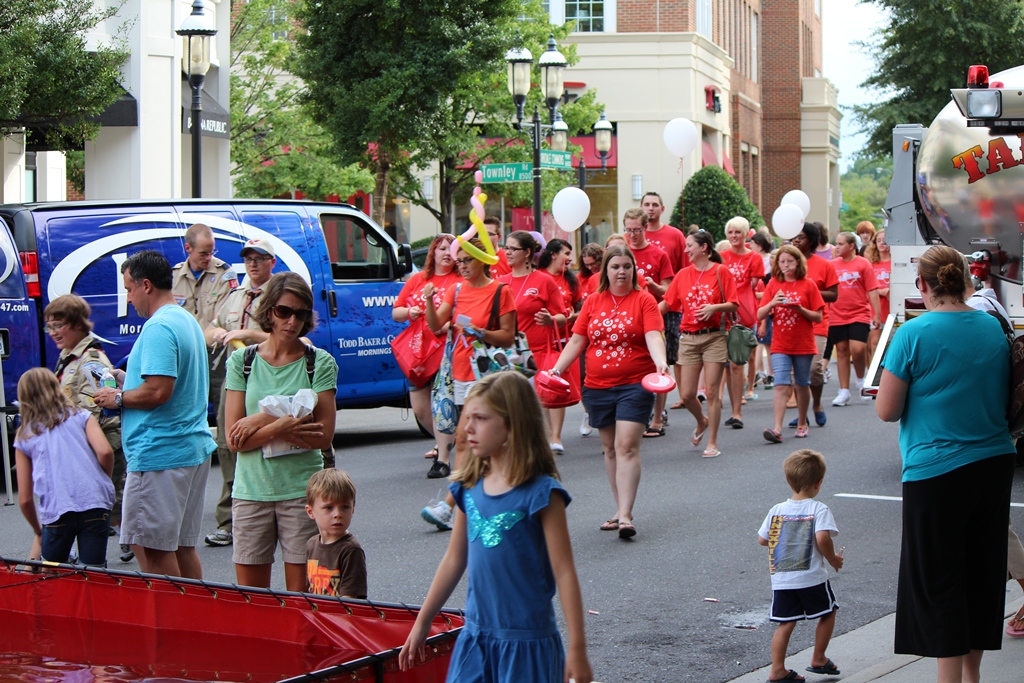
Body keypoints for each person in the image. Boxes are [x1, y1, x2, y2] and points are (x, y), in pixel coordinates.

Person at [875, 245, 1015, 683]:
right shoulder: (991, 326)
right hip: (993, 462)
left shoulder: (913, 334)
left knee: (939, 580)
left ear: (922, 285)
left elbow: (887, 410)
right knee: (982, 574)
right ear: (966, 281)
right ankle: (972, 676)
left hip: (935, 469)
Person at [398, 373, 592, 683]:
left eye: (481, 418)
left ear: (513, 424)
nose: (468, 428)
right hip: (476, 638)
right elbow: (454, 559)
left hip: (526, 644)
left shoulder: (542, 493)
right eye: (468, 417)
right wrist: (423, 622)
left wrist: (578, 648)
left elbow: (564, 571)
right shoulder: (469, 485)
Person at [93, 250, 217, 578]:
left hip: (160, 453)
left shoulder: (158, 327)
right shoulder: (185, 319)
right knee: (181, 547)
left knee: (153, 550)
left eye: (129, 289)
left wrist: (117, 397)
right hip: (189, 448)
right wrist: (128, 380)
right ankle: (194, 610)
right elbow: (166, 382)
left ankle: (170, 612)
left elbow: (158, 391)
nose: (128, 297)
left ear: (146, 285)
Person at [223, 272, 338, 592]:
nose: (292, 321)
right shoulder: (242, 362)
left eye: (301, 314)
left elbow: (322, 437)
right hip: (251, 493)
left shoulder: (319, 362)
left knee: (305, 601)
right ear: (269, 309)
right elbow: (234, 441)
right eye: (284, 311)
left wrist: (260, 422)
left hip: (302, 493)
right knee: (253, 602)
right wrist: (281, 424)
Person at [550, 245, 668, 538]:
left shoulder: (644, 299)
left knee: (626, 446)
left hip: (635, 384)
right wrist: (557, 369)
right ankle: (620, 508)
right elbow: (577, 341)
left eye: (627, 266)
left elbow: (654, 335)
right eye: (615, 266)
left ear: (634, 270)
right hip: (597, 386)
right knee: (610, 448)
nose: (621, 272)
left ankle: (626, 515)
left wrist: (660, 361)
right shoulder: (592, 301)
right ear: (606, 271)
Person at [419, 238, 516, 530]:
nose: (461, 265)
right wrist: (428, 300)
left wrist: (480, 332)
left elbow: (508, 337)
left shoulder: (500, 291)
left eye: (467, 260)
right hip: (460, 375)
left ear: (481, 261)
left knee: (472, 440)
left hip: (487, 377)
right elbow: (435, 325)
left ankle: (452, 506)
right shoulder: (456, 289)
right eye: (458, 261)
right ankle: (472, 503)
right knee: (469, 441)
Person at [201, 238, 276, 548]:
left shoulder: (279, 294)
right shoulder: (234, 297)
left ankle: (268, 513)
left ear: (272, 262)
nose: (253, 264)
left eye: (260, 258)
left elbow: (289, 335)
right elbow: (208, 330)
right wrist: (217, 332)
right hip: (235, 381)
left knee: (267, 445)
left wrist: (248, 333)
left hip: (268, 381)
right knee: (228, 444)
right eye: (248, 259)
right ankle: (229, 521)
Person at [44, 294, 130, 562]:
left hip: (96, 442)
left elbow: (96, 409)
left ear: (78, 324)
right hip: (80, 444)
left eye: (59, 325)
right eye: (49, 326)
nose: (53, 332)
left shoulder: (91, 359)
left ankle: (131, 541)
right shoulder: (68, 357)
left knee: (104, 502)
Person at [757, 449, 843, 683]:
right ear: (819, 483)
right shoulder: (818, 509)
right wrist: (833, 559)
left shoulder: (776, 510)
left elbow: (763, 539)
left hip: (782, 579)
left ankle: (777, 669)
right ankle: (819, 657)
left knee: (786, 623)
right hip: (811, 578)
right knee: (829, 611)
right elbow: (823, 538)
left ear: (789, 481)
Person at [14, 368, 115, 566]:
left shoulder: (25, 435)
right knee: (93, 574)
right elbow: (105, 452)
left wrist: (38, 531)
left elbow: (25, 500)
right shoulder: (82, 416)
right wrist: (104, 480)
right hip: (94, 503)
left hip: (56, 511)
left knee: (52, 573)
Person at [660, 229, 738, 458]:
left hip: (715, 337)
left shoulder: (721, 271)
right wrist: (643, 320)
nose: (686, 250)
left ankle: (712, 442)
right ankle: (702, 421)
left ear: (704, 248)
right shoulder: (683, 274)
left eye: (689, 245)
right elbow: (667, 304)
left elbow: (734, 304)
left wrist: (714, 308)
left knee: (712, 392)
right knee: (686, 394)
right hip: (689, 338)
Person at [393, 233, 460, 474]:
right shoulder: (418, 279)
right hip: (419, 350)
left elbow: (468, 315)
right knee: (421, 409)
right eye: (441, 248)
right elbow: (396, 312)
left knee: (445, 403)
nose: (446, 253)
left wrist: (447, 325)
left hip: (447, 351)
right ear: (433, 252)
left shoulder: (460, 280)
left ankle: (444, 457)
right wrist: (409, 312)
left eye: (451, 249)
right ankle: (450, 440)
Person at [498, 231, 567, 451]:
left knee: (544, 399)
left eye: (513, 248)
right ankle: (525, 445)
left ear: (527, 252)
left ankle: (553, 437)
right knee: (515, 405)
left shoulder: (544, 281)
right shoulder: (500, 283)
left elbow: (563, 316)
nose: (507, 252)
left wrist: (550, 320)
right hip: (510, 353)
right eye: (506, 247)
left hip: (539, 351)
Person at [758, 246, 824, 443]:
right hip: (780, 343)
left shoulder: (808, 284)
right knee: (781, 384)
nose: (786, 265)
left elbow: (818, 317)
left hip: (803, 342)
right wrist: (772, 303)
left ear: (798, 262)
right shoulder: (773, 284)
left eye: (790, 261)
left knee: (802, 383)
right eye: (782, 262)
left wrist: (800, 308)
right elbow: (760, 314)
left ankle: (802, 422)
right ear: (777, 264)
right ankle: (777, 428)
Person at [623, 208, 674, 438]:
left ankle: (657, 417)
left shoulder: (658, 254)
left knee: (658, 365)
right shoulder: (620, 253)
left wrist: (654, 287)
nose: (632, 235)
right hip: (625, 320)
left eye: (637, 230)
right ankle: (635, 413)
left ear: (645, 228)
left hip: (652, 318)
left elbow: (669, 292)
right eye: (628, 230)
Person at [790, 223, 838, 428]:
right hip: (791, 323)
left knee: (813, 369)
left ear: (811, 240)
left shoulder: (824, 265)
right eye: (794, 237)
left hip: (817, 321)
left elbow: (833, 295)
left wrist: (808, 292)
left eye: (801, 237)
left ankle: (817, 404)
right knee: (795, 371)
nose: (796, 240)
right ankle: (802, 414)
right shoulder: (787, 264)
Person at [538, 238, 582, 453]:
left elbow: (581, 309)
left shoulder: (571, 281)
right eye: (566, 253)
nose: (570, 258)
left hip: (564, 340)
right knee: (544, 387)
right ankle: (547, 434)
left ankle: (556, 436)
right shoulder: (538, 277)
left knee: (557, 386)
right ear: (553, 254)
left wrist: (572, 317)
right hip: (541, 340)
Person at [721, 216, 766, 430]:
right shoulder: (722, 256)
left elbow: (754, 285)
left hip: (744, 314)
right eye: (730, 232)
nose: (733, 236)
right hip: (724, 314)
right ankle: (733, 408)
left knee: (737, 363)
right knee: (728, 366)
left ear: (746, 234)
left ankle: (737, 412)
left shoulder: (754, 258)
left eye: (737, 232)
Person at [829, 232, 880, 406]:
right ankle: (844, 391)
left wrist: (877, 314)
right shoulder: (832, 265)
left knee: (858, 349)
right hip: (837, 314)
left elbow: (872, 289)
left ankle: (860, 379)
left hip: (859, 313)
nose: (837, 247)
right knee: (842, 350)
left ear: (851, 246)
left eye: (841, 244)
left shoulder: (863, 263)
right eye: (836, 244)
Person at [304, 468, 367, 599]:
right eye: (329, 507)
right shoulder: (311, 545)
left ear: (353, 509)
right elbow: (310, 589)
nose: (338, 514)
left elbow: (350, 600)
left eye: (345, 507)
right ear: (310, 512)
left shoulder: (350, 549)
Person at [171, 223, 239, 329]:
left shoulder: (224, 275)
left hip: (212, 339)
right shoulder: (174, 276)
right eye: (203, 254)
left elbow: (221, 322)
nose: (208, 258)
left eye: (211, 252)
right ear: (188, 248)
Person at [864, 229, 891, 361]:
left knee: (890, 345)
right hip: (874, 308)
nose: (881, 243)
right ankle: (873, 371)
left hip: (890, 308)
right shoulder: (871, 264)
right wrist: (880, 291)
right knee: (874, 344)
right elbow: (866, 287)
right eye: (878, 241)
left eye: (884, 241)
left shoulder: (895, 262)